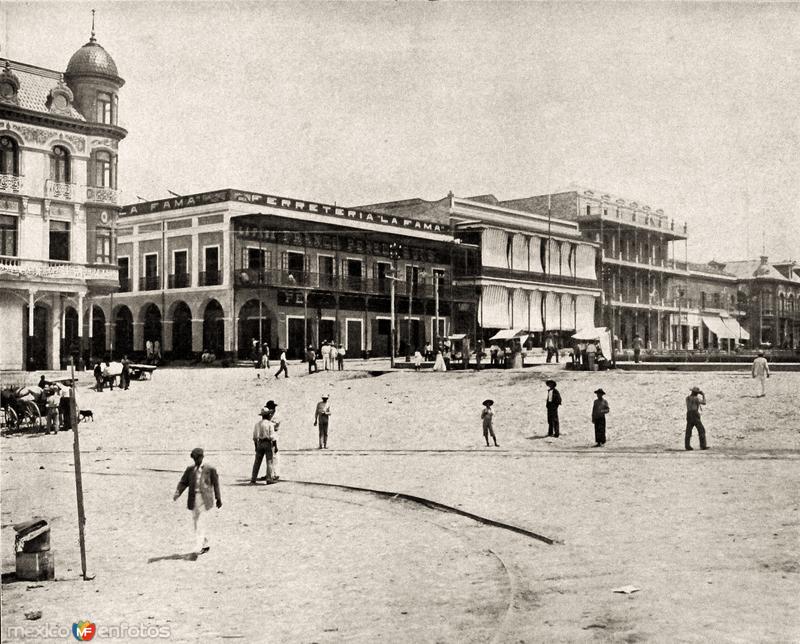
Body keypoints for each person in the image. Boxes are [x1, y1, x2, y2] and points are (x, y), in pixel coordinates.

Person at [174, 447, 222, 555]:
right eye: (194, 459)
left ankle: (199, 547)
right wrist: (177, 493)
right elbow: (183, 482)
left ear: (202, 457)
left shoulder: (210, 469)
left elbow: (216, 484)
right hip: (193, 498)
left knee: (201, 522)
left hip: (205, 499)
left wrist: (218, 498)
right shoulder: (190, 469)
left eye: (197, 459)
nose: (195, 461)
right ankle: (205, 543)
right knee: (196, 521)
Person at [251, 407, 276, 484]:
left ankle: (253, 478)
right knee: (269, 461)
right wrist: (275, 446)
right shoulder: (270, 424)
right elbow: (272, 437)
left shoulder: (257, 424)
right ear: (268, 415)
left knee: (257, 462)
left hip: (259, 443)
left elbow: (255, 437)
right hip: (267, 442)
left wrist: (256, 446)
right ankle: (269, 479)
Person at [685, 386, 709, 451]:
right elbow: (704, 402)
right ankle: (703, 445)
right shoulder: (696, 399)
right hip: (695, 414)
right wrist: (703, 394)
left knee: (688, 430)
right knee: (701, 430)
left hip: (689, 414)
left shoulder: (687, 398)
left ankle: (687, 446)